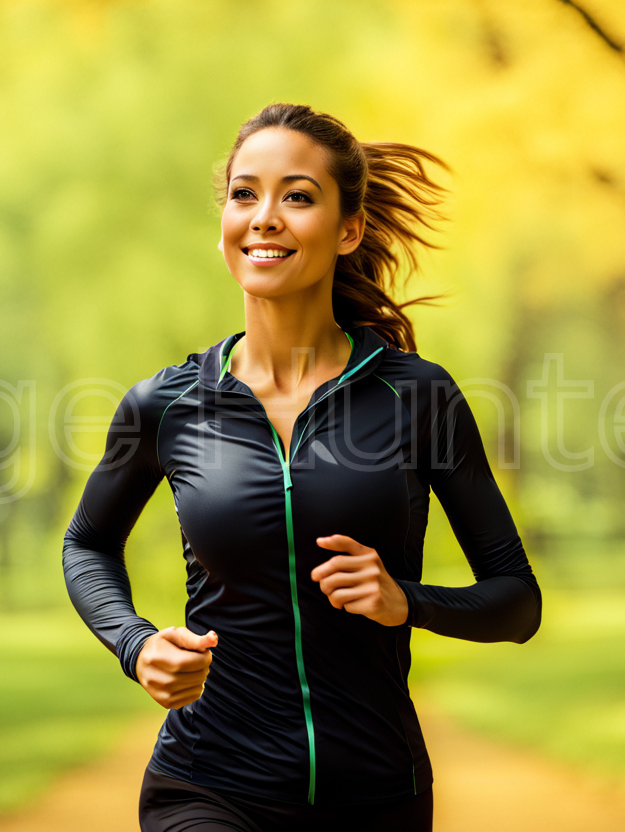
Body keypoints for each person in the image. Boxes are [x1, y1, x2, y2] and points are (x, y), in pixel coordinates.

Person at [62, 102, 542, 832]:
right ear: (223, 223)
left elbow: (517, 601)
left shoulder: (417, 396)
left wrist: (406, 601)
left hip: (378, 793)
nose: (264, 216)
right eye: (244, 194)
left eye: (297, 196)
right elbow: (87, 544)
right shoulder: (168, 403)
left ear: (348, 229)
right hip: (208, 784)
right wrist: (135, 643)